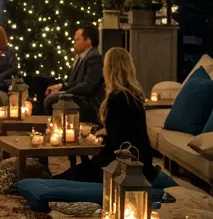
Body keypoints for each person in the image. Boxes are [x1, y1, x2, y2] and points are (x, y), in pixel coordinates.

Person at [55, 47, 155, 182]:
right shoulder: (134, 95)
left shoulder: (117, 98)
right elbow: (125, 130)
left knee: (68, 177)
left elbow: (115, 144)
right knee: (75, 172)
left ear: (109, 69)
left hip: (124, 165)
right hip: (143, 160)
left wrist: (96, 142)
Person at [44, 25, 104, 124]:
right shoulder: (80, 57)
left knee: (52, 100)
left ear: (88, 41)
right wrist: (60, 87)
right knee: (51, 98)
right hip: (79, 98)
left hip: (89, 103)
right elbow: (75, 83)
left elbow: (88, 86)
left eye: (77, 39)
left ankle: (60, 127)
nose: (74, 42)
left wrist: (64, 93)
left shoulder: (94, 57)